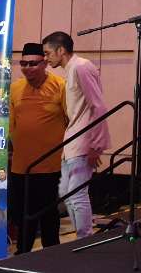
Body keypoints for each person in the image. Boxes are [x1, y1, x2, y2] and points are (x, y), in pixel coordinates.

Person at [42, 32, 111, 240]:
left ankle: (84, 238)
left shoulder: (81, 67)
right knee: (66, 192)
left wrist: (96, 145)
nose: (46, 58)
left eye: (48, 53)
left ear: (61, 50)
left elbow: (98, 106)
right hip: (72, 141)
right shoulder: (72, 69)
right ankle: (81, 236)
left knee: (77, 192)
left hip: (82, 141)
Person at [9, 43, 68, 253]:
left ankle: (52, 255)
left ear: (44, 63)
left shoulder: (60, 86)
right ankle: (22, 254)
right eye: (23, 64)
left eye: (33, 64)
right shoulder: (15, 88)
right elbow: (11, 123)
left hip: (51, 166)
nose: (27, 68)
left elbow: (72, 120)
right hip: (21, 166)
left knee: (49, 216)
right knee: (22, 214)